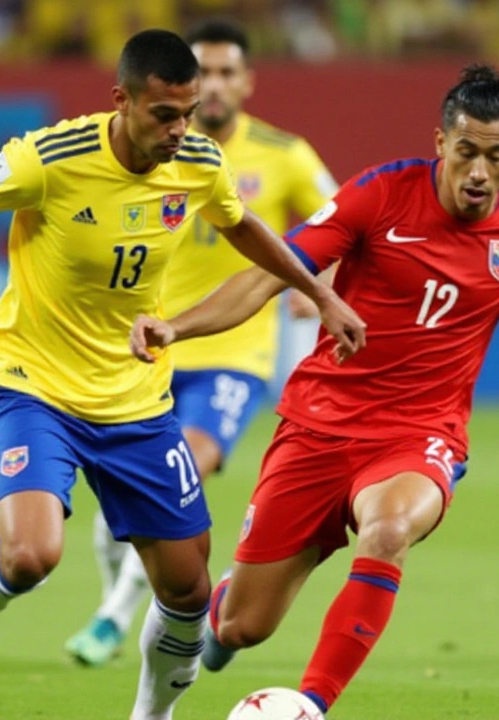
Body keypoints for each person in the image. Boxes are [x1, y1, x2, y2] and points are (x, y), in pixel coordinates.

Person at [0, 29, 364, 719]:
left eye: (187, 113)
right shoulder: (51, 157)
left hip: (134, 395)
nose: (179, 129)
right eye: (164, 114)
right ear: (121, 101)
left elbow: (242, 224)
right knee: (32, 556)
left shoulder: (196, 160)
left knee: (189, 594)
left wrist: (323, 294)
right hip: (34, 384)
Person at [128, 65, 499, 715]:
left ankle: (311, 705)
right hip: (319, 426)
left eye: (494, 156)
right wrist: (177, 326)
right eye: (466, 153)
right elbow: (270, 275)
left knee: (390, 527)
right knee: (239, 628)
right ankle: (230, 607)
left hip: (419, 435)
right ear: (441, 143)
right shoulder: (380, 196)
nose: (478, 172)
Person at [65, 19, 340, 668]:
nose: (213, 86)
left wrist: (318, 282)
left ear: (246, 82)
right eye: (203, 73)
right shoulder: (151, 152)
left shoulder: (284, 154)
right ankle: (118, 593)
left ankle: (111, 618)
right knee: (115, 513)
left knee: (190, 460)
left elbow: (341, 223)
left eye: (224, 73)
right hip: (144, 348)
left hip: (233, 354)